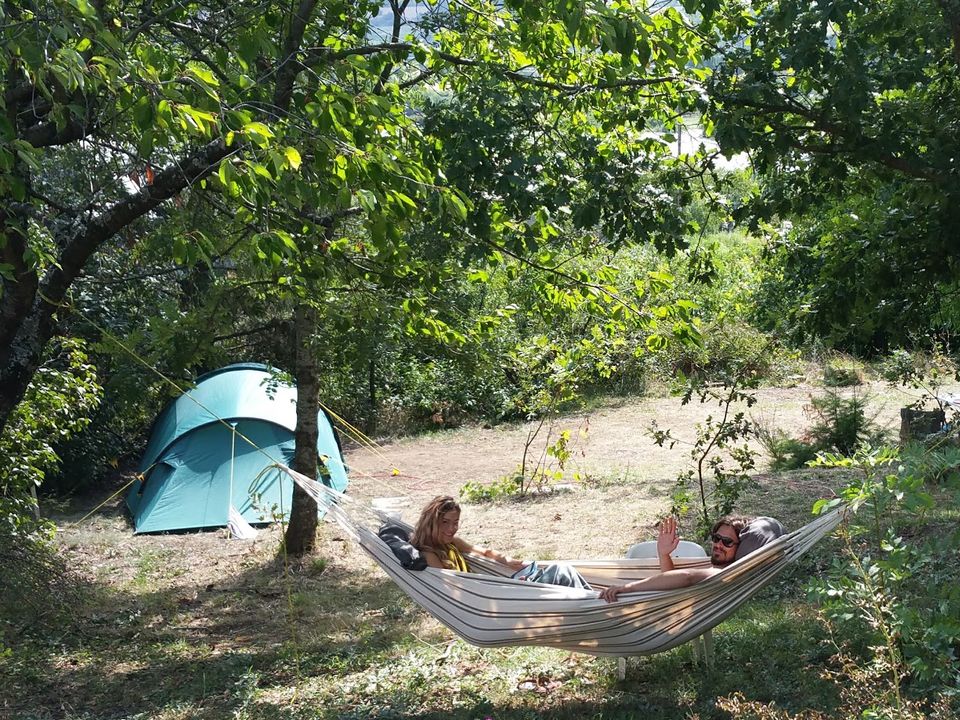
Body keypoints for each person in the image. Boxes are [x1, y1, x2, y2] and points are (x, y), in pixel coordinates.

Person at [599, 514, 753, 602]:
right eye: (716, 538)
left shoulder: (723, 572)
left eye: (727, 542)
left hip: (615, 605)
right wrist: (664, 554)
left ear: (740, 548)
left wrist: (626, 588)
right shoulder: (712, 566)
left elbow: (686, 578)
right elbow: (673, 583)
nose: (718, 545)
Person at [410, 495, 526, 572]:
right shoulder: (429, 554)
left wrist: (506, 560)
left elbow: (485, 552)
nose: (451, 529)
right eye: (445, 522)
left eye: (455, 522)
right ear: (431, 522)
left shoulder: (452, 542)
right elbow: (448, 585)